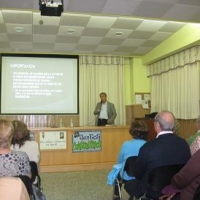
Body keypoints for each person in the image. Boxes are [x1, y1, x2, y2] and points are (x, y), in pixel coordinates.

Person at [124, 110, 191, 200]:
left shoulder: (148, 147)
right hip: (176, 188)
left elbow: (138, 173)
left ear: (157, 125)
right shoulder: (184, 144)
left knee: (130, 184)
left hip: (153, 190)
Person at [113, 120, 148, 200]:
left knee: (117, 173)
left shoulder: (126, 144)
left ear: (132, 132)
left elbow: (119, 161)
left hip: (127, 176)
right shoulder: (148, 145)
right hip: (143, 176)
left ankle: (116, 195)